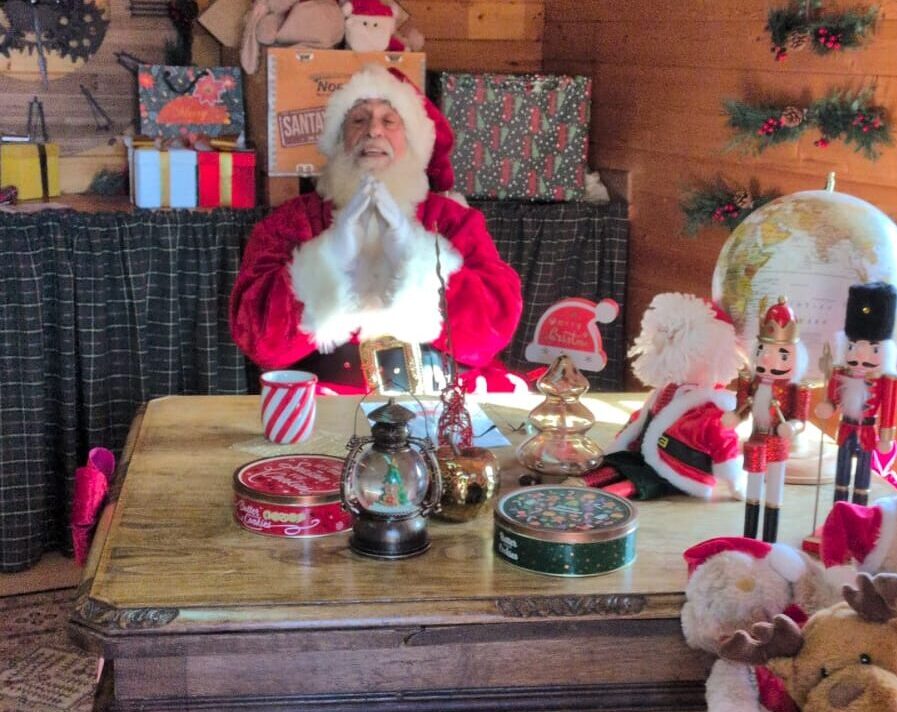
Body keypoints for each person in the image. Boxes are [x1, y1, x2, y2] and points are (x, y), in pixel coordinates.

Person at [230, 64, 524, 393]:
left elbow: (491, 332)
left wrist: (416, 260)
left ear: (411, 138)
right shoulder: (290, 222)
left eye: (389, 120)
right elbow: (258, 340)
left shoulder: (454, 221)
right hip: (324, 402)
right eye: (358, 119)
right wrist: (327, 260)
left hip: (440, 402)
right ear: (339, 139)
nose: (373, 131)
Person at [581, 292, 746, 500]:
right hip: (644, 453)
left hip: (677, 469)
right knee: (617, 463)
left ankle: (600, 496)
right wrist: (625, 440)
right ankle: (581, 483)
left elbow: (724, 443)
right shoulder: (668, 390)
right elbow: (643, 418)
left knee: (641, 481)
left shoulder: (711, 409)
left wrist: (735, 482)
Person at [722, 297, 810, 543]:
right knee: (753, 489)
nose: (767, 359)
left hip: (778, 444)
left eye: (781, 353)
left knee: (774, 492)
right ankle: (749, 539)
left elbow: (800, 419)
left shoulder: (796, 388)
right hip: (756, 439)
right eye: (763, 350)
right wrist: (734, 417)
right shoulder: (750, 382)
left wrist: (791, 427)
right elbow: (742, 408)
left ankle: (769, 541)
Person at [815, 282, 897, 506]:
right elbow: (832, 396)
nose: (860, 354)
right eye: (853, 346)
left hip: (868, 431)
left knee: (862, 479)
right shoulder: (841, 371)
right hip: (846, 428)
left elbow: (888, 409)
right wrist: (828, 406)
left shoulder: (886, 380)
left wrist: (886, 436)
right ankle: (839, 508)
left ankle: (858, 511)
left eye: (872, 348)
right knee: (841, 478)